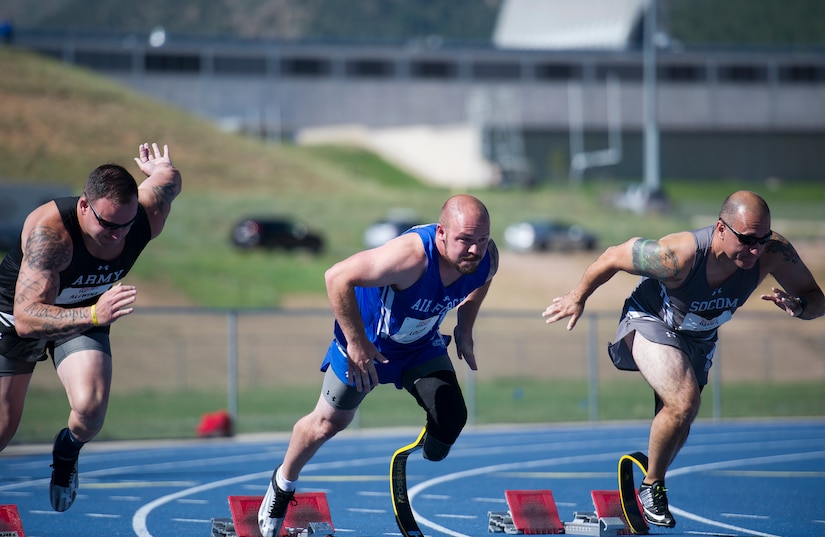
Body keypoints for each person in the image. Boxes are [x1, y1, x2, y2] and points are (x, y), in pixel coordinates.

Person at [542, 190, 823, 528]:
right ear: (721, 229)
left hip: (700, 338)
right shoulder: (677, 255)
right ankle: (651, 486)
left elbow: (816, 298)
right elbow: (612, 256)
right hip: (652, 320)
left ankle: (653, 468)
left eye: (762, 240)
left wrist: (802, 307)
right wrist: (577, 297)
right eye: (747, 240)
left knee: (682, 418)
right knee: (684, 401)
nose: (755, 250)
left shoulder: (774, 252)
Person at [257, 194, 498, 537]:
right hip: (367, 344)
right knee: (327, 423)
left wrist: (465, 327)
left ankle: (428, 435)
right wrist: (356, 343)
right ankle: (282, 485)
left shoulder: (486, 257)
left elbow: (482, 279)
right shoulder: (410, 257)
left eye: (482, 240)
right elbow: (336, 277)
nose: (475, 250)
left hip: (420, 346)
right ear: (441, 233)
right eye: (464, 241)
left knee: (452, 419)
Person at [0, 143, 182, 512]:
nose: (117, 235)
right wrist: (94, 316)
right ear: (84, 206)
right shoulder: (50, 234)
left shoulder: (148, 215)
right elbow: (26, 317)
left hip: (86, 309)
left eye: (125, 226)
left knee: (90, 411)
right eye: (108, 225)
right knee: (3, 428)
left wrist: (161, 168)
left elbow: (169, 181)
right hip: (23, 314)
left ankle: (66, 451)